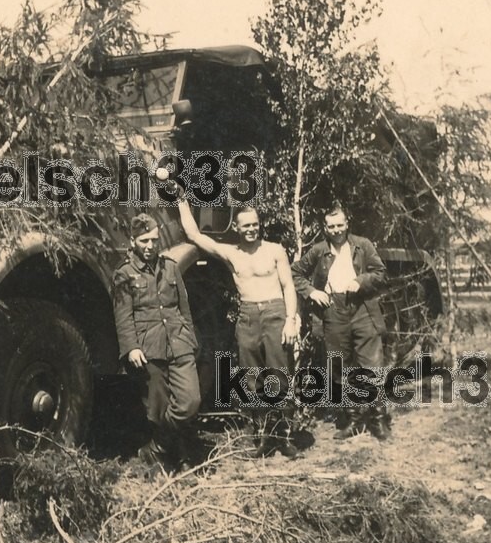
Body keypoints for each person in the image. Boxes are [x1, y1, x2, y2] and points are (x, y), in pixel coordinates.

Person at [177, 199, 302, 458]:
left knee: (279, 376)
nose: (251, 229)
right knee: (252, 377)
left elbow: (289, 286)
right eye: (246, 225)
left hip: (275, 312)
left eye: (255, 224)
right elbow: (194, 235)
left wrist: (291, 319)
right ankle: (261, 438)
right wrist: (180, 199)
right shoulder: (231, 253)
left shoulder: (275, 250)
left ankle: (283, 438)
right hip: (247, 315)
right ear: (236, 227)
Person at [291, 206, 392, 440]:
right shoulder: (318, 251)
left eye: (340, 225)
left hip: (362, 308)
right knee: (341, 368)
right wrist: (311, 292)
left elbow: (380, 273)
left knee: (371, 366)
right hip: (333, 311)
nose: (336, 230)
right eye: (331, 226)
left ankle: (378, 420)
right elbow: (295, 273)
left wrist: (361, 281)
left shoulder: (362, 245)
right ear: (325, 228)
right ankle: (353, 419)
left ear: (347, 224)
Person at [112, 213, 204, 470]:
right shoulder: (124, 274)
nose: (151, 246)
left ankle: (157, 447)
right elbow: (123, 315)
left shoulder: (170, 267)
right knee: (158, 407)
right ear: (133, 242)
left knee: (189, 402)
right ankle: (178, 455)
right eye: (144, 241)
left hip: (179, 343)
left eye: (153, 240)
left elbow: (184, 307)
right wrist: (131, 347)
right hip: (149, 347)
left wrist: (190, 339)